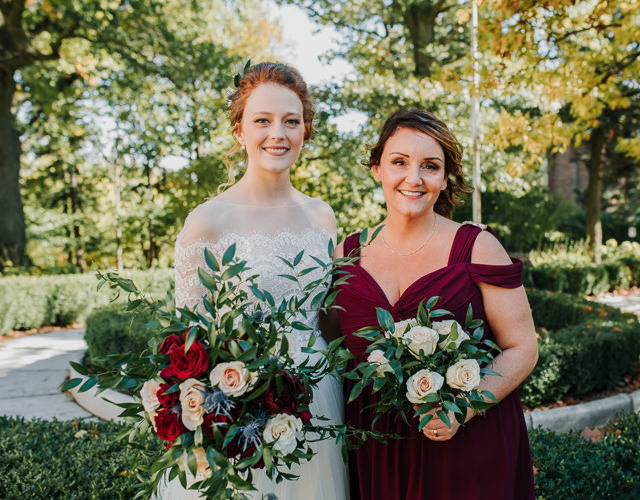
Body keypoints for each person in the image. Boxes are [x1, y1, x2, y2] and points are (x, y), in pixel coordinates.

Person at [331, 109, 538, 499]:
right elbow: (328, 347)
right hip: (378, 449)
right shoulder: (346, 253)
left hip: (465, 446)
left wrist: (461, 408)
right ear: (377, 169)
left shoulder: (477, 247)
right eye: (399, 163)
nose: (414, 178)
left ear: (444, 179)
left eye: (430, 166)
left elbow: (523, 347)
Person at [167, 61, 348, 500]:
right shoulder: (208, 220)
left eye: (291, 121)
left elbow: (327, 316)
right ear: (239, 131)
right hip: (237, 399)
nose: (278, 134)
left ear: (305, 130)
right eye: (262, 120)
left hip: (317, 393)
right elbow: (186, 338)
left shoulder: (322, 216)